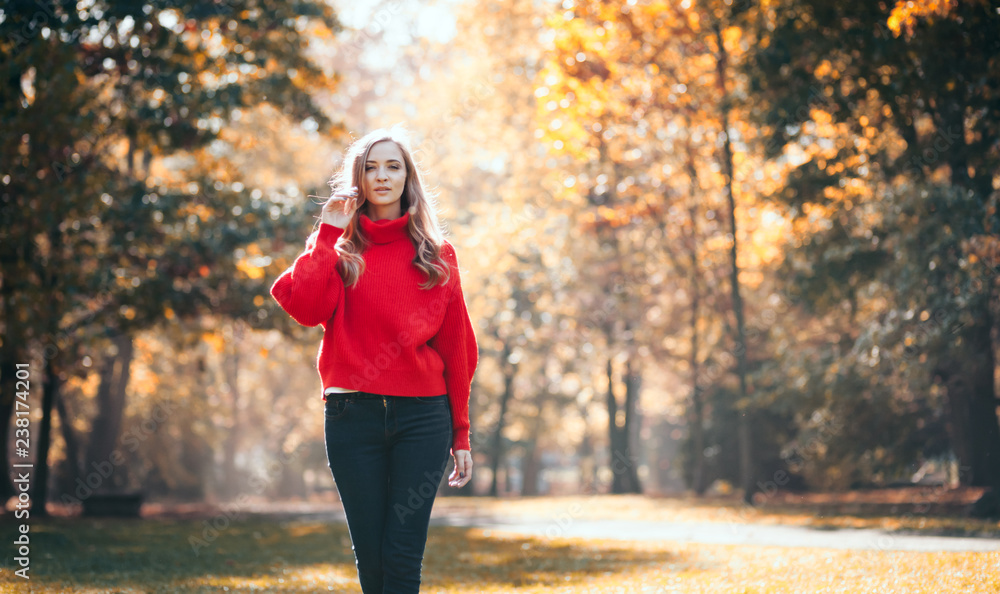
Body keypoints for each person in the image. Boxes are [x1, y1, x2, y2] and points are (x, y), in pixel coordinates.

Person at [269, 125, 478, 593]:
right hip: (352, 416)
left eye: (393, 166)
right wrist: (326, 232)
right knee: (371, 553)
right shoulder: (337, 249)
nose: (382, 176)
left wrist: (460, 431)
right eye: (371, 167)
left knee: (402, 554)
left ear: (408, 177)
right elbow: (303, 308)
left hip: (423, 418)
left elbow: (458, 349)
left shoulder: (438, 255)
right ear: (357, 179)